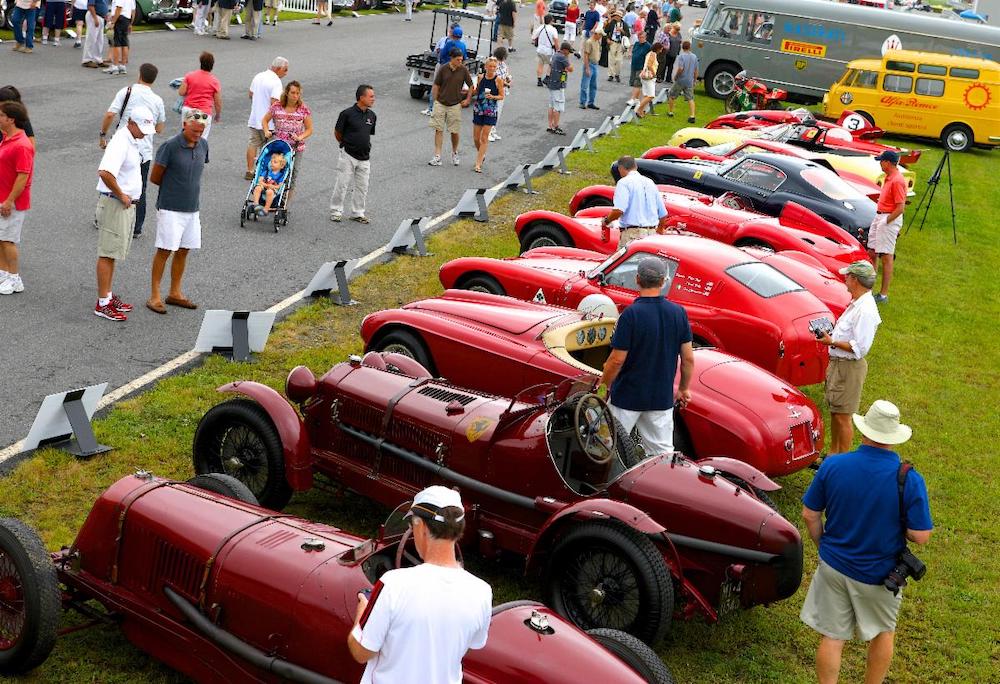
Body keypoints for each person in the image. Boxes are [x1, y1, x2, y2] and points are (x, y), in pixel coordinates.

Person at [800, 400, 932, 684]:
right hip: (880, 574)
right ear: (894, 437)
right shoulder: (909, 479)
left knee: (833, 636)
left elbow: (810, 514)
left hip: (834, 565)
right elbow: (921, 536)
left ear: (864, 431)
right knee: (884, 631)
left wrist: (822, 544)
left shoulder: (833, 465)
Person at [347, 486, 492, 684]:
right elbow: (466, 645)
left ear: (421, 526)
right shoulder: (482, 592)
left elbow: (361, 652)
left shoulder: (393, 584)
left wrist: (361, 616)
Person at [597, 256, 694, 455]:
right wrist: (683, 389)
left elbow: (616, 360)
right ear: (663, 281)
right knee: (662, 455)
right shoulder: (679, 313)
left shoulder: (630, 315)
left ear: (638, 279)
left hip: (626, 397)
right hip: (661, 398)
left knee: (607, 446)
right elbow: (688, 359)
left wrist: (603, 387)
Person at [93, 106, 156, 321]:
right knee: (108, 252)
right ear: (131, 122)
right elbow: (105, 172)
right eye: (142, 127)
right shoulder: (121, 141)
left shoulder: (131, 139)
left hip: (123, 205)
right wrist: (121, 194)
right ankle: (102, 303)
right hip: (115, 204)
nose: (146, 132)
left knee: (114, 253)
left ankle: (108, 296)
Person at [146, 108, 209, 315]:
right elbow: (155, 177)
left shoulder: (203, 145)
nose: (198, 135)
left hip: (192, 209)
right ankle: (154, 295)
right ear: (184, 125)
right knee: (165, 250)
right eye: (194, 131)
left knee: (184, 250)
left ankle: (175, 293)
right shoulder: (170, 146)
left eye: (201, 131)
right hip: (171, 208)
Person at [815, 260, 881, 455]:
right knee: (836, 413)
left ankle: (842, 460)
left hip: (848, 368)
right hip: (840, 366)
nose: (845, 279)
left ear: (855, 280)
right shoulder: (858, 303)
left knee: (843, 417)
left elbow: (860, 348)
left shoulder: (865, 310)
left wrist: (831, 341)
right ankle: (833, 455)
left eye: (848, 276)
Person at [100, 63, 166, 238]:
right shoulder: (157, 100)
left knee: (112, 179)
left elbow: (110, 114)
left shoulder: (126, 92)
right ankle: (137, 226)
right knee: (140, 187)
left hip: (123, 143)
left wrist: (103, 134)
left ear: (139, 75)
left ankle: (105, 217)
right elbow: (159, 128)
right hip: (144, 151)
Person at [329, 85, 377, 224]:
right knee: (342, 184)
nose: (373, 99)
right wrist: (346, 144)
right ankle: (336, 211)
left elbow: (367, 134)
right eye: (371, 96)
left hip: (364, 157)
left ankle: (358, 213)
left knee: (363, 186)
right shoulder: (347, 114)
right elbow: (338, 133)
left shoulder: (372, 116)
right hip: (348, 155)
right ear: (361, 98)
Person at [0, 102, 34, 296]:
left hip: (11, 202)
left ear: (10, 119)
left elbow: (23, 176)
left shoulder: (22, 145)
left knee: (8, 241)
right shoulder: (7, 138)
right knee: (0, 239)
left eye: (1, 115)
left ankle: (15, 279)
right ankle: (4, 274)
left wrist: (9, 201)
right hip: (2, 197)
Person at [261, 80, 312, 206]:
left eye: (298, 93)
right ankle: (268, 195)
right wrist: (266, 130)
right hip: (279, 145)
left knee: (292, 175)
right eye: (293, 93)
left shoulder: (303, 109)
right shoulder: (277, 106)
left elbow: (309, 129)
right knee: (273, 170)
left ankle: (284, 204)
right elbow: (265, 120)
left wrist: (300, 137)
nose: (295, 96)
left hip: (295, 147)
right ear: (287, 93)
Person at [602, 155, 669, 245]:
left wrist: (606, 220)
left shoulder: (623, 182)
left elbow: (618, 211)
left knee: (623, 259)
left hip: (633, 235)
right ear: (636, 166)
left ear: (620, 168)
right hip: (652, 235)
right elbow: (663, 213)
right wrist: (660, 229)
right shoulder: (650, 182)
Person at [868, 150, 907, 304]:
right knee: (872, 252)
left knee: (886, 256)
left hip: (889, 218)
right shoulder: (889, 177)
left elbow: (900, 207)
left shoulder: (897, 180)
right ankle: (868, 289)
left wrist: (886, 221)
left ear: (888, 162)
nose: (880, 163)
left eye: (881, 161)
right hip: (881, 215)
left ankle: (883, 294)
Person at [428, 48, 473, 167]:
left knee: (454, 131)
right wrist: (436, 100)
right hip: (441, 104)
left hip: (455, 105)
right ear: (451, 58)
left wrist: (468, 99)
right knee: (439, 129)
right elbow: (436, 85)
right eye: (458, 60)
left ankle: (454, 152)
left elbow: (471, 85)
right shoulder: (443, 69)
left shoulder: (463, 70)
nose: (460, 62)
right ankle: (437, 156)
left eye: (461, 60)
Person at [246, 57, 288, 180]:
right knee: (269, 148)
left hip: (254, 118)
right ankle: (265, 173)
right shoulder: (276, 82)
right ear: (279, 69)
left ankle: (249, 170)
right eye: (285, 70)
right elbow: (275, 103)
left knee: (253, 143)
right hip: (268, 123)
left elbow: (250, 94)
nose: (286, 73)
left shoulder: (259, 76)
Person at [179, 52, 223, 140]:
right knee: (201, 140)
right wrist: (218, 114)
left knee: (186, 137)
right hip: (204, 112)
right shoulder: (214, 81)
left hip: (188, 110)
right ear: (212, 65)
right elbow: (218, 102)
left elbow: (181, 92)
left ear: (201, 62)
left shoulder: (190, 75)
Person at [471, 57, 504, 173]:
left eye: (494, 67)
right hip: (479, 109)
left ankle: (478, 164)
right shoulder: (481, 77)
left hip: (490, 111)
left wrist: (493, 97)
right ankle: (482, 153)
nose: (492, 69)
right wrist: (469, 92)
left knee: (484, 138)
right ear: (485, 67)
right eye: (490, 66)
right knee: (476, 138)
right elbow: (476, 91)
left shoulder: (498, 80)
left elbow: (501, 95)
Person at [667, 40, 698, 123]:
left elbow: (680, 68)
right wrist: (694, 80)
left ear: (682, 47)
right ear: (690, 47)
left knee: (671, 95)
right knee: (690, 98)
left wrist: (676, 76)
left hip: (681, 80)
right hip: (689, 81)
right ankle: (692, 115)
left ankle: (670, 112)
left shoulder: (681, 56)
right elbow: (695, 70)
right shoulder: (694, 57)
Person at [546, 41, 573, 135]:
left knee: (551, 105)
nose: (569, 53)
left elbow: (550, 66)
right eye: (568, 51)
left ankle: (550, 125)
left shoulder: (555, 54)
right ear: (565, 50)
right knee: (558, 107)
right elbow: (571, 69)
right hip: (558, 85)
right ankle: (556, 126)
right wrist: (567, 60)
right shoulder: (562, 57)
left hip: (551, 83)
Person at [249, 152, 286, 217]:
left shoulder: (281, 175)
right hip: (264, 186)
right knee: (257, 188)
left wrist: (272, 186)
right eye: (271, 161)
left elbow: (279, 185)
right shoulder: (266, 172)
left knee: (269, 192)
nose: (272, 163)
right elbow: (260, 180)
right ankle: (256, 205)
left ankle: (266, 209)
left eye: (275, 162)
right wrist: (264, 184)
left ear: (281, 166)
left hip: (273, 190)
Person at [104, 0, 134, 75]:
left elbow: (119, 8)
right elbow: (133, 10)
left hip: (120, 18)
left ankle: (115, 66)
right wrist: (130, 23)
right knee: (124, 42)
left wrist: (113, 22)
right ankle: (122, 66)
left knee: (116, 42)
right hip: (127, 19)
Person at [489, 46, 512, 142]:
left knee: (498, 113)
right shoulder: (493, 65)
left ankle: (493, 131)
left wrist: (509, 79)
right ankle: (488, 132)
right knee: (492, 112)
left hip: (502, 91)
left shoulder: (503, 65)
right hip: (495, 92)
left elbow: (507, 75)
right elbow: (495, 79)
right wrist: (506, 83)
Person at [635, 42, 662, 118]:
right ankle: (638, 109)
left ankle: (640, 111)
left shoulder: (649, 53)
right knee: (651, 96)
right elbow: (649, 65)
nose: (661, 51)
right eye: (661, 49)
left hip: (644, 76)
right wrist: (654, 74)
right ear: (658, 49)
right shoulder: (653, 54)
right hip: (649, 77)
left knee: (646, 95)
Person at [579, 27, 601, 110]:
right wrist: (587, 68)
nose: (601, 36)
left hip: (595, 64)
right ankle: (582, 102)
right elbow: (586, 55)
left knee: (593, 85)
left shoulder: (597, 41)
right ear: (596, 34)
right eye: (600, 35)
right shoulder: (589, 42)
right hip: (590, 64)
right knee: (585, 85)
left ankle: (591, 102)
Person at [533, 14, 559, 87]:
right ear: (551, 21)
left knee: (540, 65)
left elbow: (534, 36)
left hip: (540, 49)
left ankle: (539, 80)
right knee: (551, 64)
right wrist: (558, 50)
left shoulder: (540, 27)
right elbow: (556, 41)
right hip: (549, 50)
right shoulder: (553, 29)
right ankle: (547, 78)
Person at [604, 9, 629, 83]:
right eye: (615, 16)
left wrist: (622, 30)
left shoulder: (624, 24)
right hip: (613, 42)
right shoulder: (611, 23)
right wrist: (607, 39)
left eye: (617, 16)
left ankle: (617, 74)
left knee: (619, 60)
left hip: (620, 43)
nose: (616, 17)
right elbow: (605, 32)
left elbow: (628, 35)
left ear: (620, 17)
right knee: (611, 59)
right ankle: (611, 75)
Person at [627, 29, 651, 107]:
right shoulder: (636, 44)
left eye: (642, 37)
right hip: (634, 66)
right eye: (640, 37)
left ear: (645, 37)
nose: (641, 39)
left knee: (637, 84)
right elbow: (633, 51)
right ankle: (637, 100)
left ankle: (632, 99)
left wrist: (646, 68)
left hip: (641, 67)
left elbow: (650, 57)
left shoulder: (648, 46)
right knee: (633, 82)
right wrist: (630, 53)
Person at [81, 0, 109, 67]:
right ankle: (87, 60)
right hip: (94, 15)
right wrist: (95, 18)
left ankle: (98, 59)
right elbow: (90, 6)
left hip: (101, 17)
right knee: (91, 39)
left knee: (99, 40)